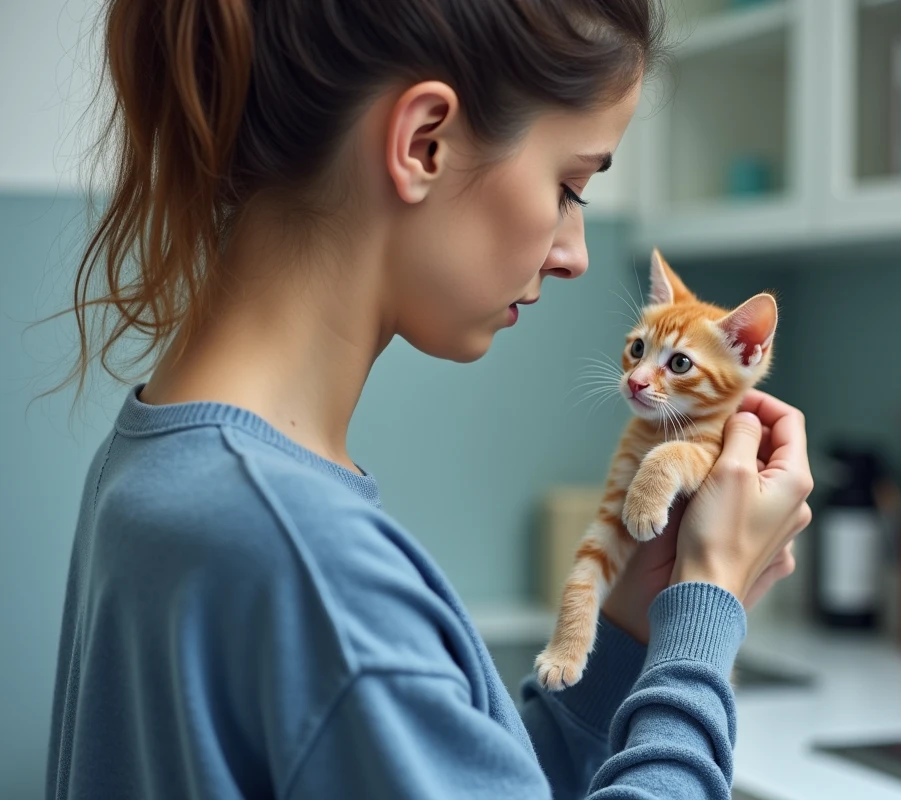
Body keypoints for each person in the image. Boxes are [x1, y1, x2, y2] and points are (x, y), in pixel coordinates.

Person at [45, 0, 814, 798]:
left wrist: (627, 632)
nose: (574, 254)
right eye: (570, 187)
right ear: (423, 144)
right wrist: (704, 612)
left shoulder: (168, 463)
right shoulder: (314, 566)